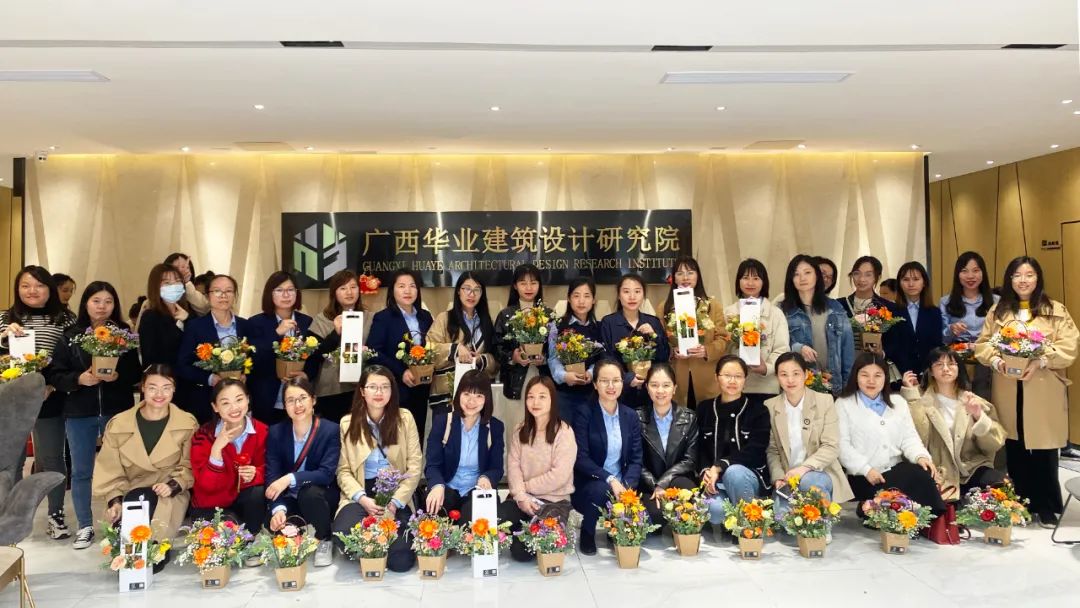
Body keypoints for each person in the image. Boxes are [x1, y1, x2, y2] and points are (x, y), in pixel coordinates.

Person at [975, 256, 1079, 527]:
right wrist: (996, 360)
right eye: (1017, 275)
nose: (1023, 280)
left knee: (1045, 448)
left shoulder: (1055, 310)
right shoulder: (998, 312)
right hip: (1009, 387)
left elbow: (1069, 346)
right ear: (1010, 279)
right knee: (1015, 445)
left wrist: (1042, 360)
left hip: (1042, 387)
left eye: (1029, 275)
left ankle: (1047, 506)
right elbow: (983, 344)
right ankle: (1020, 502)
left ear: (1037, 278)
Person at [49, 280, 141, 549]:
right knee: (81, 471)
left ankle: (124, 523)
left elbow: (136, 373)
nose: (102, 307)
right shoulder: (71, 335)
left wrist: (118, 376)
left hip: (117, 411)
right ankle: (85, 525)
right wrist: (78, 379)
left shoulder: (124, 334)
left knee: (124, 468)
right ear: (86, 303)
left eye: (108, 301)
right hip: (80, 412)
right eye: (96, 301)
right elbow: (56, 374)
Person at [93, 365, 198, 567]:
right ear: (142, 388)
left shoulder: (187, 423)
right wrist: (114, 500)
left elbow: (190, 464)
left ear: (174, 389)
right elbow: (109, 468)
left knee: (152, 558)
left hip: (168, 492)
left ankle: (156, 546)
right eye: (152, 388)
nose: (159, 394)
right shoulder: (119, 424)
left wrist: (174, 484)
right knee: (127, 558)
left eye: (166, 388)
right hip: (130, 490)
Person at [0, 266, 76, 540]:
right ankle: (9, 516)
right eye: (25, 285)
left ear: (49, 289)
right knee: (11, 460)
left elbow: (68, 359)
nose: (32, 291)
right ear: (17, 289)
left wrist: (51, 385)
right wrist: (3, 338)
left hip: (49, 397)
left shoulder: (65, 319)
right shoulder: (4, 318)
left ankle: (56, 515)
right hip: (10, 403)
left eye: (39, 285)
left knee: (52, 457)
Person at [332, 366, 422, 573]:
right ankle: (377, 543)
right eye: (372, 387)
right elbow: (343, 471)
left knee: (401, 562)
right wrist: (363, 499)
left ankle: (376, 545)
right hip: (362, 490)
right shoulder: (347, 423)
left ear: (392, 390)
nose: (379, 392)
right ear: (362, 391)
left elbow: (415, 466)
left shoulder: (405, 418)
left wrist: (394, 503)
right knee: (342, 535)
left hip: (395, 491)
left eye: (385, 387)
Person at [835, 352, 946, 516]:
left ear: (885, 378)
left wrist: (921, 456)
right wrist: (866, 469)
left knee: (923, 474)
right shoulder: (843, 404)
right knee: (901, 493)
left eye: (877, 375)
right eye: (865, 375)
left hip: (895, 469)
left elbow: (909, 438)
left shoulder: (898, 402)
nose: (871, 381)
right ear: (856, 377)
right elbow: (842, 446)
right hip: (865, 477)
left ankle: (928, 519)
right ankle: (875, 509)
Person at [899, 347, 1006, 502]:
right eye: (939, 364)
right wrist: (911, 395)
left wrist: (979, 416)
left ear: (959, 369)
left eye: (951, 364)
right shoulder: (919, 400)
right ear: (930, 371)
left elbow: (994, 444)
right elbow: (917, 436)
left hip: (970, 467)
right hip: (935, 468)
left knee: (1000, 487)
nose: (945, 369)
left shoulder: (975, 401)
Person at [764, 352, 853, 525]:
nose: (790, 380)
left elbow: (831, 446)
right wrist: (778, 477)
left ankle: (821, 528)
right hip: (787, 477)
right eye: (784, 374)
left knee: (811, 483)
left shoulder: (824, 401)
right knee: (784, 522)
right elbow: (772, 449)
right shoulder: (770, 406)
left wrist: (804, 468)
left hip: (819, 471)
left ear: (806, 374)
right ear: (777, 378)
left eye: (796, 373)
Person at [498, 376, 576, 563]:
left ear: (552, 400)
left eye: (542, 397)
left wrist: (525, 488)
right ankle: (522, 527)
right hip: (522, 499)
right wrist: (521, 496)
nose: (535, 402)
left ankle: (531, 529)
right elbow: (513, 466)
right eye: (531, 397)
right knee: (498, 516)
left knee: (521, 552)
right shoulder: (520, 430)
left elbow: (559, 475)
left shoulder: (564, 432)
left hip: (554, 501)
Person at [265, 378, 340, 567]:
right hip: (290, 498)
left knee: (309, 493)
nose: (297, 405)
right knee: (283, 542)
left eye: (302, 398)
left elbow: (326, 474)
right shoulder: (276, 432)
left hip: (320, 496)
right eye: (290, 400)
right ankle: (293, 528)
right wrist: (278, 509)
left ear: (313, 400)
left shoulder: (330, 430)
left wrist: (290, 478)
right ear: (284, 405)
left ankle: (324, 538)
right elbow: (272, 476)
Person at [572, 359, 643, 555]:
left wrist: (626, 486)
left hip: (622, 483)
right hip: (591, 484)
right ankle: (588, 531)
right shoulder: (584, 413)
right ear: (595, 384)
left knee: (644, 524)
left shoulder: (630, 416)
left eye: (616, 380)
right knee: (601, 489)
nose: (611, 386)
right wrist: (610, 479)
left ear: (622, 383)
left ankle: (616, 524)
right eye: (604, 381)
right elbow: (581, 458)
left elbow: (636, 459)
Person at [697, 355, 771, 527]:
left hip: (747, 477)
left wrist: (719, 466)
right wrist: (706, 472)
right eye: (727, 375)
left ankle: (749, 526)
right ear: (716, 377)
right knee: (715, 512)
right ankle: (734, 520)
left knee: (734, 472)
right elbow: (699, 448)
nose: (732, 381)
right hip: (715, 479)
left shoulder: (758, 410)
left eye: (738, 376)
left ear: (745, 379)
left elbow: (755, 450)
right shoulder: (704, 409)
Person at [189, 379, 269, 535]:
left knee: (257, 493)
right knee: (228, 532)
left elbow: (272, 469)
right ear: (215, 407)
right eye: (225, 403)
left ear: (248, 399)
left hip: (244, 503)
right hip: (211, 506)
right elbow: (206, 486)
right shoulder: (203, 436)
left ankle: (251, 536)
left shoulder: (263, 431)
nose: (234, 408)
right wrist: (216, 449)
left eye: (239, 400)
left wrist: (256, 473)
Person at [423, 370, 505, 522]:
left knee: (475, 519)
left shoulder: (495, 427)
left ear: (486, 399)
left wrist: (486, 478)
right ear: (458, 394)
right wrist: (437, 485)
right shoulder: (443, 422)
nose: (471, 402)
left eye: (479, 396)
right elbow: (432, 465)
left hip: (476, 490)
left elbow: (496, 468)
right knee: (436, 508)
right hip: (446, 488)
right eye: (467, 394)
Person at [176, 274, 254, 423]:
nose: (223, 296)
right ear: (207, 296)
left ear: (235, 296)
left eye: (228, 291)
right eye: (217, 291)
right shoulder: (195, 327)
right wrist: (210, 378)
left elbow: (254, 359)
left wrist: (246, 375)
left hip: (240, 403)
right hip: (207, 401)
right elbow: (183, 365)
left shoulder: (246, 325)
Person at [367, 269, 434, 442]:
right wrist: (401, 372)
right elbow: (373, 351)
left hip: (422, 389)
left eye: (412, 286)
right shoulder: (383, 318)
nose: (407, 291)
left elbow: (433, 347)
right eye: (402, 286)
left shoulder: (425, 317)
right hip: (396, 389)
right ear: (392, 290)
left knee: (417, 437)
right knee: (395, 439)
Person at [248, 271, 319, 425]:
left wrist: (306, 374)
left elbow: (314, 358)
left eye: (290, 290)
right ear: (270, 294)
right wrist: (277, 333)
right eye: (279, 290)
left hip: (299, 399)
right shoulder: (255, 322)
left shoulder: (306, 321)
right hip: (267, 399)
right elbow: (254, 359)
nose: (286, 295)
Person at [780, 255, 855, 394]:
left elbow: (847, 349)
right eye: (796, 274)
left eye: (807, 272)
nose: (802, 278)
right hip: (797, 384)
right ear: (791, 280)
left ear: (817, 275)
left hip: (832, 383)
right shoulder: (783, 310)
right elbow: (778, 345)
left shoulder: (835, 308)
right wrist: (798, 348)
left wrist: (848, 387)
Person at [661, 256, 729, 408]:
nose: (685, 278)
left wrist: (706, 350)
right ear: (674, 278)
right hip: (677, 376)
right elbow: (660, 341)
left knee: (707, 416)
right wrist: (671, 351)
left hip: (707, 376)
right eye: (680, 273)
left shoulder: (713, 305)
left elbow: (723, 338)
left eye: (690, 273)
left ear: (698, 276)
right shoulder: (664, 307)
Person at [426, 273, 498, 415]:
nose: (472, 294)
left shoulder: (487, 322)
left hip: (477, 397)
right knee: (446, 430)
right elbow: (428, 350)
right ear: (458, 291)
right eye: (467, 288)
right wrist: (455, 349)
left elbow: (497, 360)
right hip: (447, 395)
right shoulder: (444, 318)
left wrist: (481, 359)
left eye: (477, 289)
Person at [637, 363, 698, 530]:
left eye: (666, 385)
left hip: (677, 478)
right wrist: (654, 484)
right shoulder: (637, 417)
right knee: (656, 517)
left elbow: (690, 460)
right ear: (647, 388)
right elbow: (636, 461)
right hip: (649, 482)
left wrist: (663, 483)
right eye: (654, 385)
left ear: (675, 388)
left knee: (689, 505)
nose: (660, 391)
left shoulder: (689, 417)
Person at [839, 256, 917, 383]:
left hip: (879, 373)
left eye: (868, 274)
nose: (861, 279)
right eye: (857, 274)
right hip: (847, 371)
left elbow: (903, 342)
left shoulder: (891, 308)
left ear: (877, 277)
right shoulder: (839, 306)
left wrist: (883, 352)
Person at [724, 259, 790, 408]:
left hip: (766, 387)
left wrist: (766, 368)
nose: (750, 283)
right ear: (738, 281)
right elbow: (723, 348)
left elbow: (782, 349)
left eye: (756, 278)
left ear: (763, 282)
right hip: (734, 386)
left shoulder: (775, 314)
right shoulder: (728, 313)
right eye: (745, 278)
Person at [600, 273, 671, 411]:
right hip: (620, 393)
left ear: (643, 295)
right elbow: (606, 359)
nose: (632, 297)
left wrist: (654, 336)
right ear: (619, 295)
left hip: (651, 393)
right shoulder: (608, 323)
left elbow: (664, 357)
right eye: (626, 292)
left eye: (637, 291)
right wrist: (627, 378)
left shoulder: (653, 322)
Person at [309, 270, 366, 423]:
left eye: (353, 287)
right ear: (334, 292)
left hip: (360, 388)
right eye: (343, 288)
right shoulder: (321, 320)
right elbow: (314, 355)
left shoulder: (370, 318)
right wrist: (335, 333)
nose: (349, 292)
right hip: (330, 390)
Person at [940, 251, 999, 399]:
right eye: (964, 271)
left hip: (986, 357)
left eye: (976, 270)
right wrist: (951, 330)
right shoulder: (946, 302)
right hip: (958, 358)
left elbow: (1002, 334)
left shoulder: (996, 301)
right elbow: (942, 339)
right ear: (957, 274)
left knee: (984, 398)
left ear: (983, 273)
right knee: (960, 399)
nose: (970, 276)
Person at [138, 264, 196, 410]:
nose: (174, 286)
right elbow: (151, 357)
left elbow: (198, 347)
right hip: (162, 387)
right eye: (167, 283)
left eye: (177, 281)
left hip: (188, 386)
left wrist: (187, 321)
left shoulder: (190, 314)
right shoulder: (150, 316)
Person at [547, 277, 603, 423]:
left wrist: (590, 373)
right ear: (569, 299)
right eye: (576, 296)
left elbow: (601, 359)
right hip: (564, 394)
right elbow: (552, 358)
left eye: (587, 296)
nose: (581, 301)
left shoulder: (599, 327)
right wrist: (564, 376)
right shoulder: (556, 326)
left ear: (594, 300)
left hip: (592, 393)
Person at [493, 263, 550, 403]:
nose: (529, 288)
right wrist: (512, 356)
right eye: (523, 283)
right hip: (514, 381)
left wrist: (544, 358)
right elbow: (495, 347)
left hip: (542, 378)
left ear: (539, 285)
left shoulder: (548, 315)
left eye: (533, 283)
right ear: (515, 286)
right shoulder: (505, 315)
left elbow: (555, 349)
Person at [896, 261, 944, 372]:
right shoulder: (891, 312)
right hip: (900, 371)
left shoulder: (934, 312)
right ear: (899, 283)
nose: (911, 284)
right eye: (906, 279)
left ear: (924, 282)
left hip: (928, 371)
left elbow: (936, 345)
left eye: (916, 279)